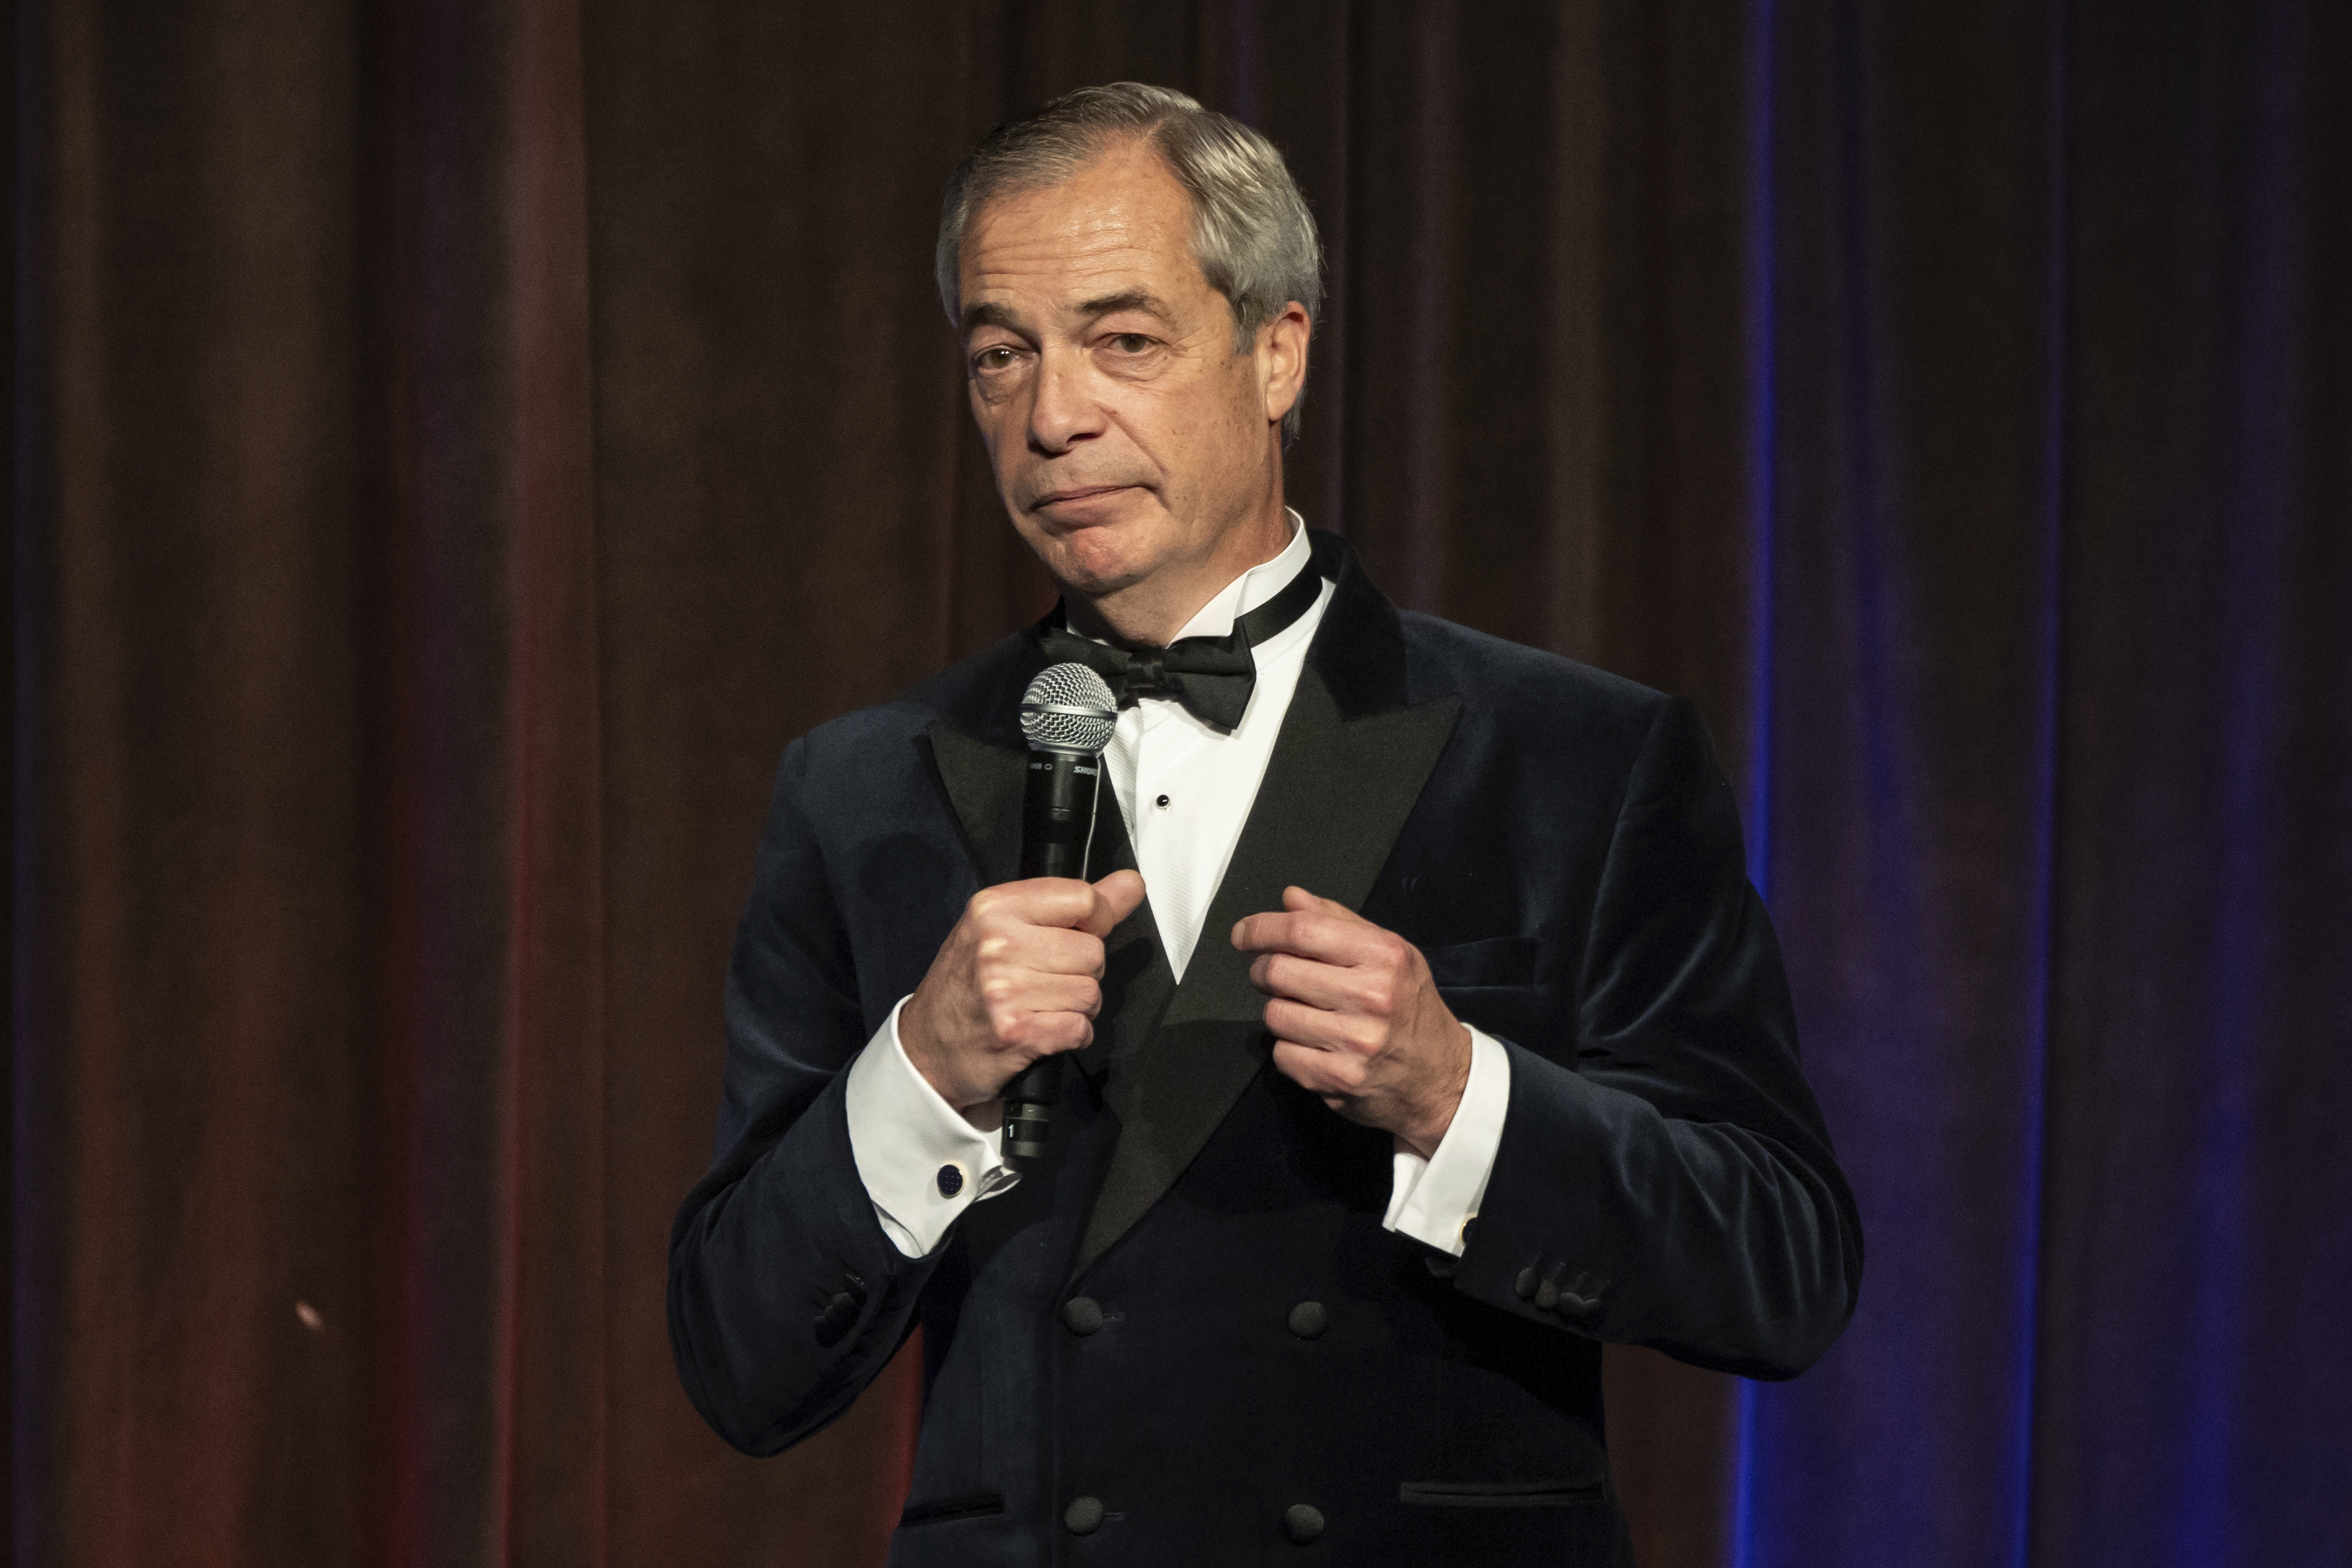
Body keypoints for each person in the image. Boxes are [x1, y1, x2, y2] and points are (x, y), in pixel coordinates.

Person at [669, 82, 1860, 1566]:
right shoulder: (860, 789)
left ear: (1276, 351)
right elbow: (739, 1356)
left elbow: (1782, 1265)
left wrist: (1456, 1091)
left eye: (1123, 341)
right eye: (999, 356)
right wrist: (921, 1072)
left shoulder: (1578, 755)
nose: (1051, 416)